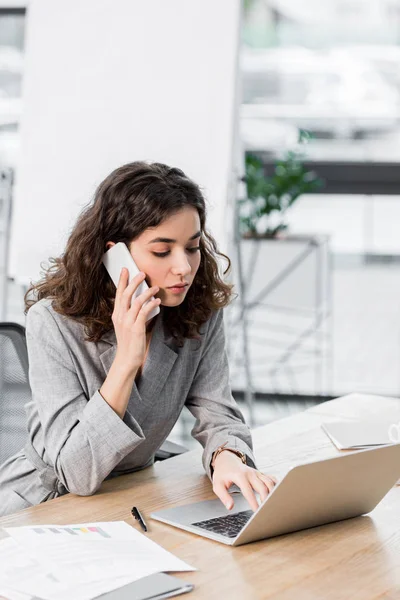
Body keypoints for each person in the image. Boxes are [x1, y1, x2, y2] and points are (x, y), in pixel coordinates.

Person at [0, 161, 276, 517]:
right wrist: (127, 357)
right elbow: (76, 474)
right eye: (162, 251)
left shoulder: (198, 312)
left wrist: (229, 458)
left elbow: (217, 414)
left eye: (192, 248)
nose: (184, 268)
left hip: (136, 494)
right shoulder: (53, 322)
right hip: (44, 503)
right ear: (116, 255)